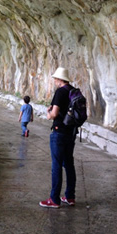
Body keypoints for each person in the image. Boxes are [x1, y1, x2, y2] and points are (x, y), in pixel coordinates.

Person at [39, 67, 77, 208]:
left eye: (55, 78)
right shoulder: (73, 91)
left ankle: (54, 199)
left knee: (56, 165)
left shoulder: (60, 92)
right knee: (69, 164)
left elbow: (54, 114)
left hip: (59, 132)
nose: (54, 80)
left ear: (59, 79)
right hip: (71, 132)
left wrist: (48, 115)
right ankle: (70, 196)